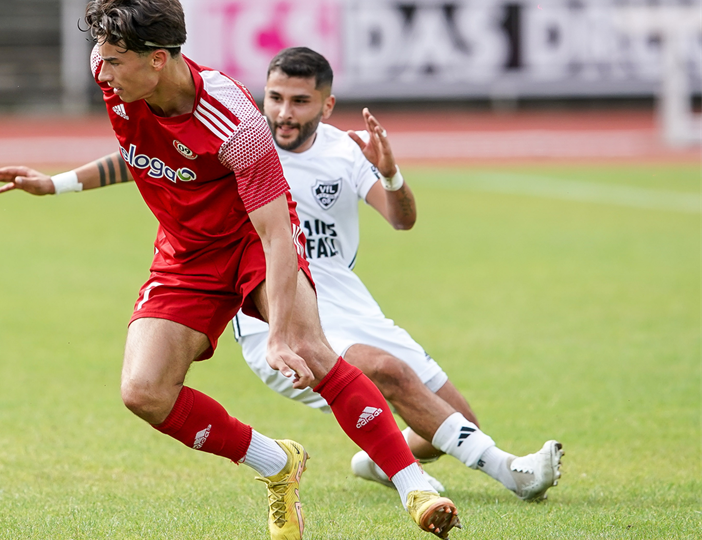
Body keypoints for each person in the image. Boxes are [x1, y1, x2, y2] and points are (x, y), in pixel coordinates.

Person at [0, 1, 460, 538]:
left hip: (251, 239)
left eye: (116, 60)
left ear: (158, 60)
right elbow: (144, 154)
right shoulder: (113, 76)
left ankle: (413, 484)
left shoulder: (237, 123)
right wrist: (59, 183)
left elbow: (277, 231)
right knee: (144, 392)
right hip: (185, 252)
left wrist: (278, 332)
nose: (102, 69)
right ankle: (276, 463)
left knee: (308, 349)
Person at [231, 47, 564, 502]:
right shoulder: (243, 148)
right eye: (275, 98)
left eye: (300, 101)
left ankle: (378, 460)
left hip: (351, 306)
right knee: (386, 370)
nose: (284, 113)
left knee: (456, 422)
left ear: (327, 106)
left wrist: (389, 174)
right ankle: (514, 473)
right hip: (277, 315)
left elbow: (401, 219)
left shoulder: (344, 151)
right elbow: (144, 161)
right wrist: (93, 179)